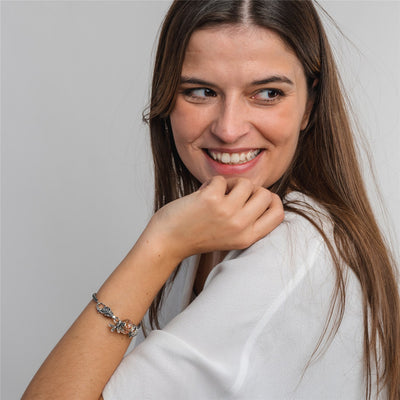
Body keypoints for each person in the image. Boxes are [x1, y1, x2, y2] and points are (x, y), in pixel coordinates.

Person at [22, 0, 400, 399]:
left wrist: (159, 245)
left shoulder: (289, 255)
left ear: (309, 105)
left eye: (267, 93)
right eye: (201, 92)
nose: (229, 129)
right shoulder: (211, 227)